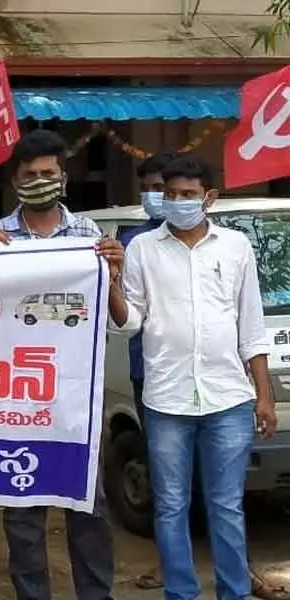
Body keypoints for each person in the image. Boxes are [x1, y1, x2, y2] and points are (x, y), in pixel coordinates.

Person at [109, 155, 277, 600]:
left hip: (229, 399)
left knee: (226, 506)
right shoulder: (142, 248)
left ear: (209, 198)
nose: (178, 202)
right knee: (170, 507)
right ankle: (180, 593)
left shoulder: (235, 246)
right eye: (171, 195)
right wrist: (112, 284)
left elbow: (251, 325)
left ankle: (234, 592)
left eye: (188, 195)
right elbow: (130, 322)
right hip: (167, 401)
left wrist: (264, 394)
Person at [0, 129, 123, 600]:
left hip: (78, 395)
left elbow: (121, 319)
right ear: (14, 180)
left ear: (64, 177)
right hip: (17, 396)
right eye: (29, 175)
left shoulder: (90, 236)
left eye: (48, 174)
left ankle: (96, 595)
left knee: (90, 506)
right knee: (22, 509)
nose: (40, 181)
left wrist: (115, 275)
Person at [119, 151, 174, 592]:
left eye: (163, 186)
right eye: (150, 187)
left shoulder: (219, 240)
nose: (156, 195)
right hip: (149, 371)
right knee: (164, 470)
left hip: (206, 375)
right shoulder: (134, 242)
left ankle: (237, 565)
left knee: (217, 479)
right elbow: (124, 312)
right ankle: (167, 561)